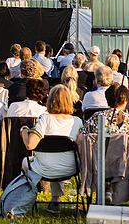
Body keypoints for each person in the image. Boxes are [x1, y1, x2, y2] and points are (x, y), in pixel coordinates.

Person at [20, 85, 83, 213]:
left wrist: (24, 131)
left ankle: (25, 199)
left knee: (25, 162)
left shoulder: (45, 118)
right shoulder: (77, 121)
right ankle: (55, 199)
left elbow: (30, 145)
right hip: (71, 168)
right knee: (58, 159)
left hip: (44, 169)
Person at [81, 83, 129, 153]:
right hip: (125, 161)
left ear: (107, 99)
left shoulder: (96, 118)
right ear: (125, 101)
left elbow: (81, 138)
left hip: (100, 160)